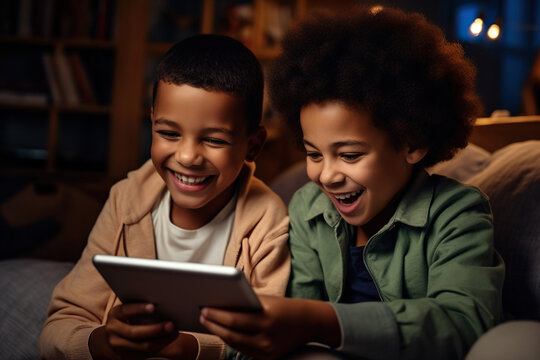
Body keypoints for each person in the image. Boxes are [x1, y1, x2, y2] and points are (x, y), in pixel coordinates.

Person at [199, 7, 505, 360]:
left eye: (350, 155)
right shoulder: (308, 209)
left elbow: (463, 323)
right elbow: (293, 315)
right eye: (314, 154)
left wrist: (323, 320)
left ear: (412, 143)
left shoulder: (458, 213)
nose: (326, 176)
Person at [39, 34, 290, 360]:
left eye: (213, 140)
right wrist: (101, 343)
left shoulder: (267, 220)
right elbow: (58, 326)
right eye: (169, 133)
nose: (187, 156)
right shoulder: (126, 200)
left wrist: (194, 349)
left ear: (253, 146)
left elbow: (271, 339)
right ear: (152, 122)